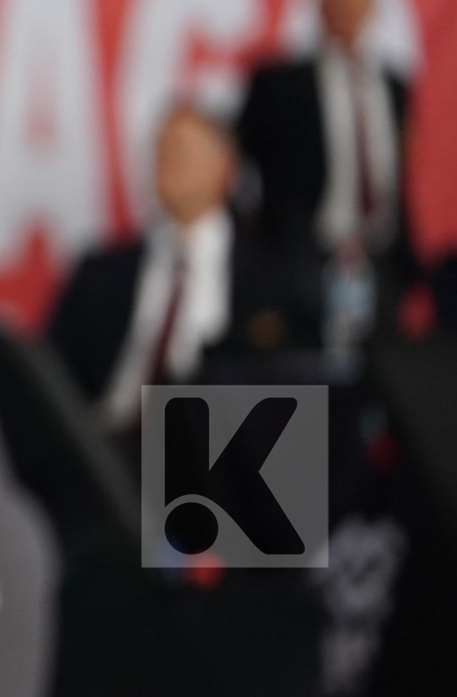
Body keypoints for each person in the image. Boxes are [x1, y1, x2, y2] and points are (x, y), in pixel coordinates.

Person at [48, 102, 322, 447]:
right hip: (105, 449)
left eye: (181, 150)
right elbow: (51, 376)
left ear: (225, 168)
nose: (166, 163)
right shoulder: (100, 273)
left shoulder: (273, 275)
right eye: (160, 150)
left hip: (212, 456)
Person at [237, 0, 417, 313]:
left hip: (380, 256)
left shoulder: (394, 86)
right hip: (305, 254)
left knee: (389, 360)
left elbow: (397, 173)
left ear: (371, 8)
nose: (347, 10)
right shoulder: (282, 85)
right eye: (338, 0)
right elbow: (241, 158)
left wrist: (408, 259)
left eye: (355, 0)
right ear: (321, 7)